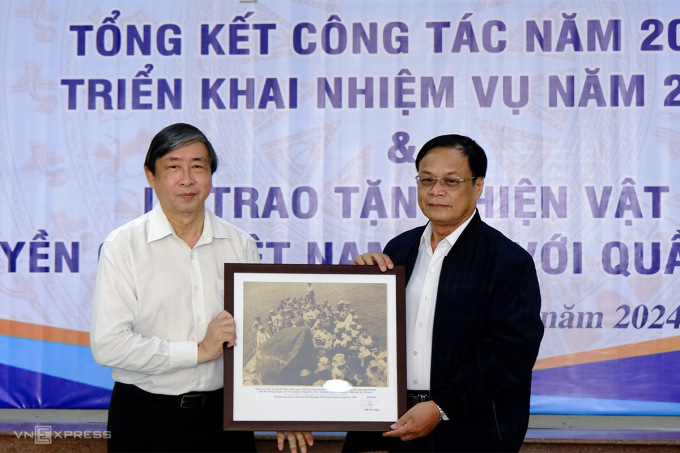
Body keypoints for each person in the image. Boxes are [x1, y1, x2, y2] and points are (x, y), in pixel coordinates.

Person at [90, 123, 313, 453]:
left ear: (210, 175)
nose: (186, 178)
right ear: (151, 175)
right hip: (145, 417)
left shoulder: (240, 245)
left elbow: (260, 337)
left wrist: (276, 404)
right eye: (173, 166)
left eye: (198, 166)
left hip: (224, 421)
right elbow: (108, 346)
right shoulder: (123, 247)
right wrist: (198, 351)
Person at [343, 134, 544, 452]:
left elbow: (509, 353)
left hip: (469, 431)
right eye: (426, 180)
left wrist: (440, 407)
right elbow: (370, 340)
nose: (435, 191)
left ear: (477, 186)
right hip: (387, 423)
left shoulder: (507, 261)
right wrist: (363, 285)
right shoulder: (399, 250)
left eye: (451, 181)